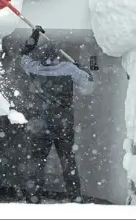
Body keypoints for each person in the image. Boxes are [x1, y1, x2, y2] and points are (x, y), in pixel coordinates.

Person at [19, 26, 95, 204]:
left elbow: (23, 57)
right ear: (57, 55)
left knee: (37, 161)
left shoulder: (35, 69)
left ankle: (34, 197)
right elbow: (89, 82)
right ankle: (75, 197)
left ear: (41, 56)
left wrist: (33, 38)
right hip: (64, 123)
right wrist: (81, 67)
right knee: (68, 160)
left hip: (41, 124)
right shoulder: (68, 68)